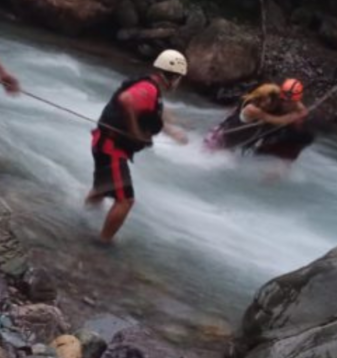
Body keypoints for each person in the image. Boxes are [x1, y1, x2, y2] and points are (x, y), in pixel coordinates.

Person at [85, 50, 189, 243]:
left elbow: (150, 112)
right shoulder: (149, 88)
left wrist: (172, 131)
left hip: (105, 142)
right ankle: (102, 242)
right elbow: (127, 100)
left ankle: (81, 218)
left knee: (103, 189)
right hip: (111, 147)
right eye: (180, 78)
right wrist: (134, 132)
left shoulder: (150, 86)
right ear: (173, 77)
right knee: (125, 200)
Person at [204, 78, 309, 155]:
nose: (285, 103)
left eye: (288, 102)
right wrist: (295, 114)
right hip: (219, 138)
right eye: (265, 100)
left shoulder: (277, 100)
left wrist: (298, 108)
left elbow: (301, 109)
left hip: (235, 144)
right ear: (259, 99)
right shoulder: (252, 109)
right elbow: (278, 120)